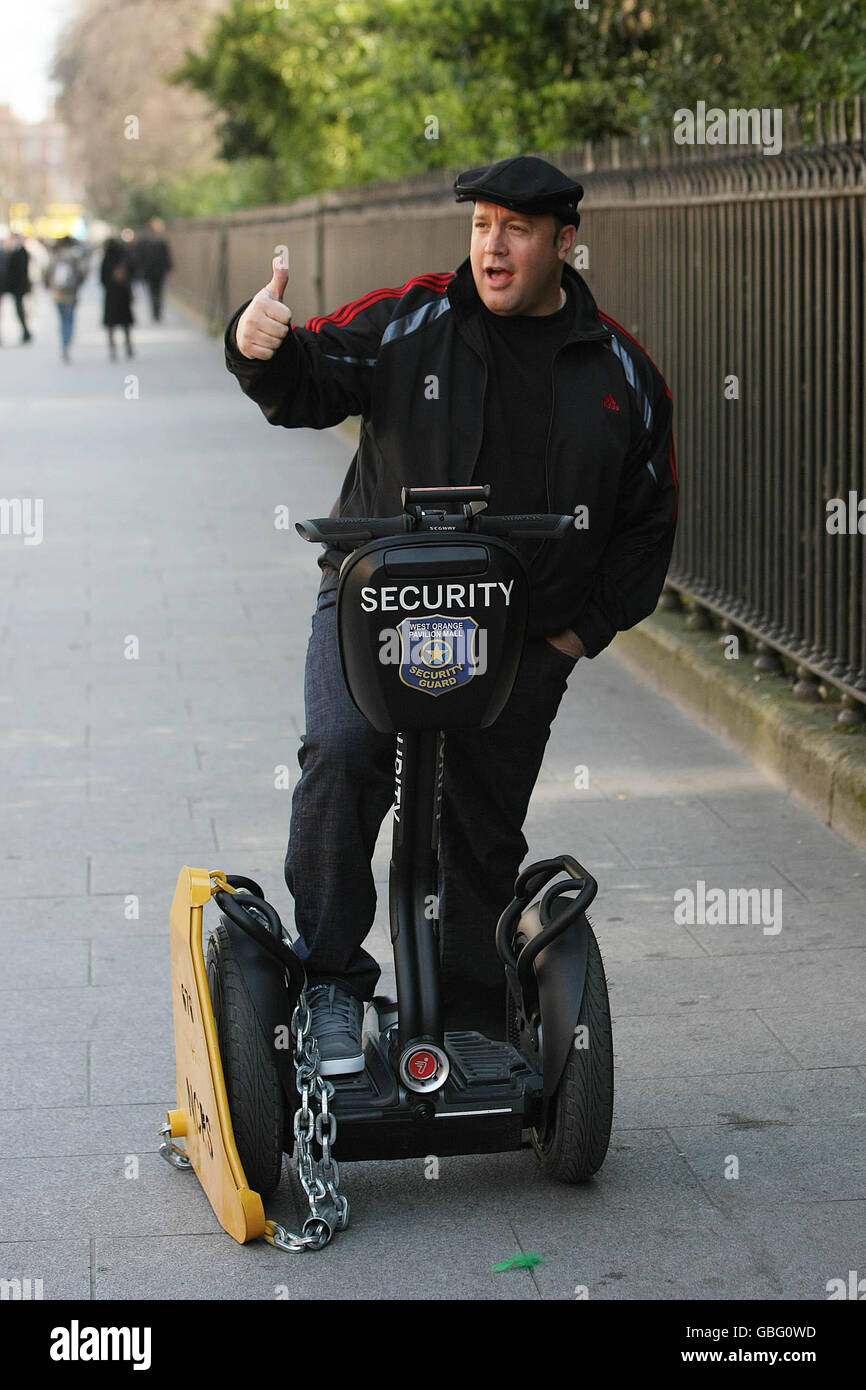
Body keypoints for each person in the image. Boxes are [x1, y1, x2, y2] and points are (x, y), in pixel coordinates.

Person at [223, 155, 678, 1071]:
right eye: (481, 225)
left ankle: (470, 1021)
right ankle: (330, 988)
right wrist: (258, 342)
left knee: (473, 822)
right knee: (346, 760)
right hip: (376, 607)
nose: (493, 245)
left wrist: (577, 632)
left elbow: (648, 521)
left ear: (564, 241)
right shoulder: (414, 318)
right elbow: (312, 378)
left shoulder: (620, 370)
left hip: (513, 638)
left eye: (515, 228)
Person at [45, 236, 85, 363]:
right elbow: (82, 273)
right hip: (71, 294)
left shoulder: (54, 257)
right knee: (70, 320)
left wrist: (49, 287)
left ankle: (64, 343)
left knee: (62, 320)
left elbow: (46, 274)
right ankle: (66, 342)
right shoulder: (74, 257)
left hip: (57, 294)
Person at [100, 237, 135, 359]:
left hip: (110, 296)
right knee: (125, 323)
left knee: (111, 324)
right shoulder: (123, 260)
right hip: (123, 294)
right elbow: (132, 274)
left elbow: (102, 279)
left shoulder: (106, 260)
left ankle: (112, 347)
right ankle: (128, 345)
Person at [135, 216, 173, 321]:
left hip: (151, 271)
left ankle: (155, 311)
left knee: (153, 292)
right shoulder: (160, 242)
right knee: (158, 292)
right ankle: (157, 311)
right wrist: (169, 268)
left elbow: (140, 257)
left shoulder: (147, 242)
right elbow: (167, 257)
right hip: (157, 271)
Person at [2, 233, 33, 344]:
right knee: (19, 310)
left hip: (17, 288)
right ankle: (26, 332)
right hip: (10, 287)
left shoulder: (20, 252)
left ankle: (26, 332)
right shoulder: (10, 252)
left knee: (20, 310)